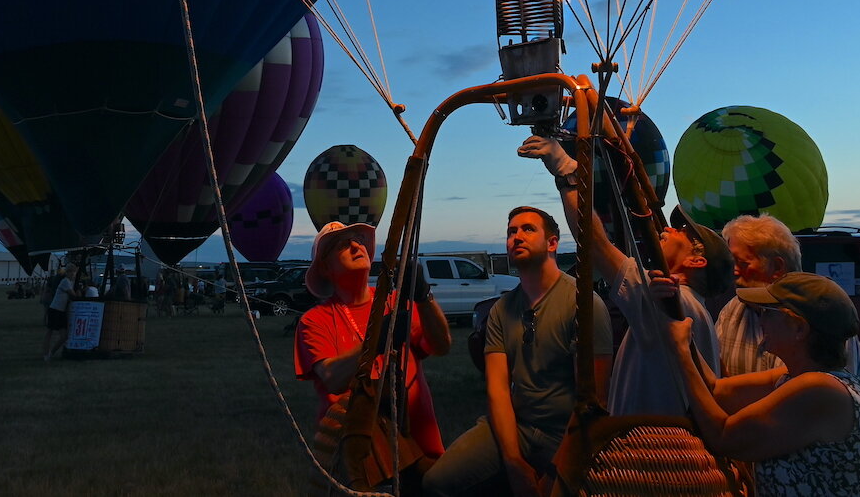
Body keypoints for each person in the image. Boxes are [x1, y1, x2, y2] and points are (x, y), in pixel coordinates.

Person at [519, 135, 733, 416]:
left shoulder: (665, 300)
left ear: (696, 260)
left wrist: (567, 174)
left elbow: (596, 245)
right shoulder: (697, 311)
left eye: (682, 232)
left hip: (646, 450)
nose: (667, 229)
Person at [426, 206, 613, 497]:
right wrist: (513, 461)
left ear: (552, 243)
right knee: (437, 482)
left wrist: (555, 472)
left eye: (528, 229)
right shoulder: (502, 310)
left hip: (565, 433)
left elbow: (592, 402)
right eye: (512, 231)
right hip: (518, 426)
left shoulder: (583, 304)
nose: (516, 237)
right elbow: (498, 390)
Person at [667, 273, 860, 496]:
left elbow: (724, 437)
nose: (760, 320)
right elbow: (717, 390)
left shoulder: (819, 389)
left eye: (768, 312)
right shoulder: (800, 377)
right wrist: (679, 326)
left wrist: (682, 353)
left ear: (799, 329)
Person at [294, 221, 452, 486]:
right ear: (325, 267)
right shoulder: (315, 321)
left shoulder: (394, 301)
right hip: (362, 459)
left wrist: (424, 296)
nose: (356, 245)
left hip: (420, 443)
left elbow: (442, 345)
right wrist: (375, 340)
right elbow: (332, 377)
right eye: (343, 244)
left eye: (358, 239)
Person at [716, 215, 860, 387]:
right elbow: (720, 376)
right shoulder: (732, 311)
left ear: (777, 267)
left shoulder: (823, 316)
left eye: (742, 263)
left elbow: (824, 395)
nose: (734, 271)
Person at [41, 264, 77, 361]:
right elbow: (73, 295)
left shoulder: (70, 282)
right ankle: (46, 355)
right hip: (55, 309)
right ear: (68, 273)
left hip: (61, 311)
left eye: (74, 272)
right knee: (49, 332)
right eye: (72, 272)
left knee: (64, 336)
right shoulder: (65, 282)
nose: (73, 274)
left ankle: (51, 353)